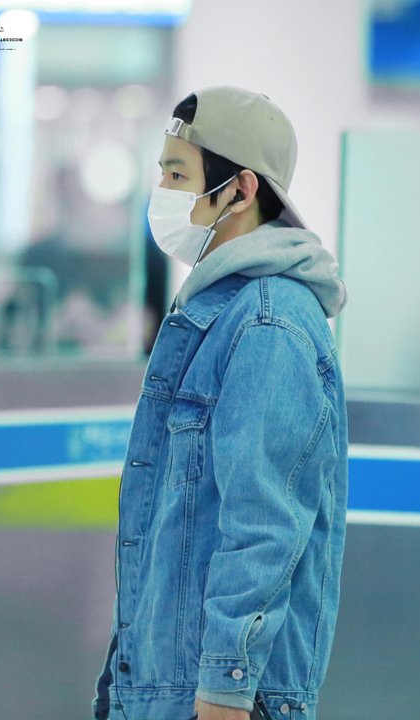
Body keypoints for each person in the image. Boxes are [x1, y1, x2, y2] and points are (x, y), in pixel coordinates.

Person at [91, 85, 349, 720]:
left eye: (178, 175)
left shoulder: (267, 322)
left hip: (218, 701)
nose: (162, 190)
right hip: (165, 689)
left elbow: (263, 527)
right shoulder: (218, 311)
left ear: (240, 190)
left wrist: (225, 691)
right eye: (163, 172)